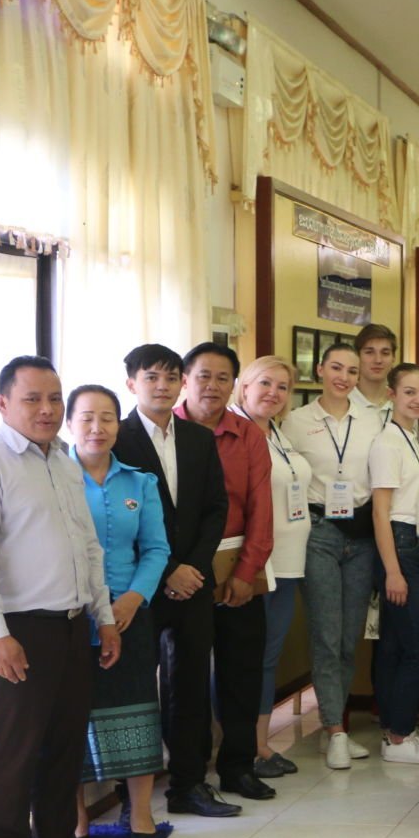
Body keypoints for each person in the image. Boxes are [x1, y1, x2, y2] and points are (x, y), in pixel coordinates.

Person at [0, 357, 120, 838]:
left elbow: (88, 547)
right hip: (17, 628)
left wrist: (104, 616)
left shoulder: (64, 462)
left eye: (54, 398)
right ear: (3, 404)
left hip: (71, 624)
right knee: (14, 749)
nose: (46, 409)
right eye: (32, 399)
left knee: (64, 743)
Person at [114, 343, 234, 814]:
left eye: (170, 378)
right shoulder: (116, 438)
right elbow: (118, 521)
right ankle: (131, 795)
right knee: (136, 688)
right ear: (132, 384)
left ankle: (188, 784)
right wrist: (167, 571)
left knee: (189, 684)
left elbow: (215, 509)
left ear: (182, 383)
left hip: (193, 582)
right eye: (151, 378)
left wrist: (194, 568)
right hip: (139, 585)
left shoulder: (199, 438)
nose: (162, 386)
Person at [65, 386, 170, 838]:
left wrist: (133, 599)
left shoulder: (140, 482)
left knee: (137, 709)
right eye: (87, 417)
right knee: (71, 717)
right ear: (70, 423)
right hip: (71, 615)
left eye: (107, 417)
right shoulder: (56, 477)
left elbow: (156, 549)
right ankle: (75, 822)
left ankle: (142, 815)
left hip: (130, 614)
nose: (97, 427)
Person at [173, 342, 277, 802]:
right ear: (185, 380)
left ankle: (238, 767)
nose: (212, 386)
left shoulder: (247, 434)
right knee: (187, 675)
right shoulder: (167, 429)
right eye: (203, 376)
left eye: (222, 378)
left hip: (238, 564)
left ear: (234, 384)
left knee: (241, 672)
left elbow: (260, 508)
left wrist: (246, 571)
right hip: (181, 573)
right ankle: (190, 773)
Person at [283, 340, 382, 769]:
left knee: (348, 637)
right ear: (320, 370)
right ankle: (336, 730)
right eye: (336, 368)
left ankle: (332, 723)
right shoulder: (296, 421)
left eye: (352, 371)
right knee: (325, 634)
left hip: (361, 535)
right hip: (319, 531)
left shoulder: (373, 420)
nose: (344, 377)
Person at [232, 355, 308, 779]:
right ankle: (243, 746)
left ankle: (261, 744)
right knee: (247, 657)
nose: (273, 393)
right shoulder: (234, 432)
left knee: (268, 656)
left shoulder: (279, 433)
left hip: (289, 561)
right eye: (264, 383)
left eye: (282, 387)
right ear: (244, 386)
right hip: (256, 564)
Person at [369, 364, 419, 765]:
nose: (417, 400)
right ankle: (400, 734)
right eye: (409, 392)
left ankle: (395, 733)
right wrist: (393, 571)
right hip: (399, 546)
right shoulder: (387, 444)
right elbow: (381, 512)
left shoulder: (412, 438)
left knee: (396, 645)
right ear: (391, 394)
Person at [350, 322, 398, 426]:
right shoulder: (343, 402)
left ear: (393, 358)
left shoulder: (402, 403)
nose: (378, 360)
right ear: (357, 356)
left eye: (385, 353)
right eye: (369, 352)